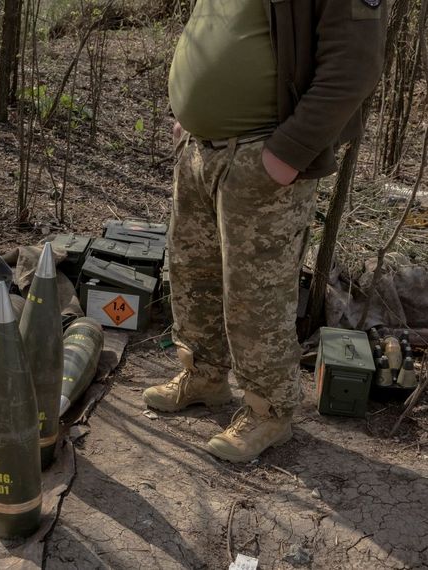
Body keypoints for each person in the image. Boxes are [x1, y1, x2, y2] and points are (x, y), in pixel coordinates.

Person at [143, 0, 388, 462]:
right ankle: (204, 375)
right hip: (200, 151)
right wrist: (190, 115)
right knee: (194, 274)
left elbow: (354, 66)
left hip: (262, 159)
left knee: (255, 296)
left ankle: (269, 411)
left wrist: (289, 152)